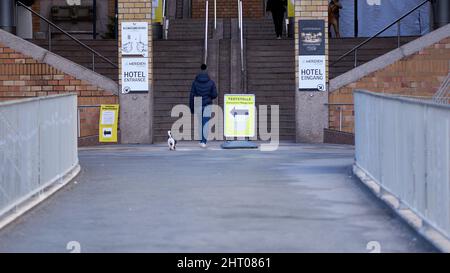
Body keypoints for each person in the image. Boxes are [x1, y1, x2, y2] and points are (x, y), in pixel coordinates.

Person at [189, 64, 218, 148]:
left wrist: (192, 107)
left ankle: (201, 140)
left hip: (198, 103)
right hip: (207, 104)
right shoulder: (211, 82)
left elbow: (192, 96)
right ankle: (204, 142)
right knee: (205, 123)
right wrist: (209, 97)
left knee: (200, 123)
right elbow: (215, 94)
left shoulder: (195, 83)